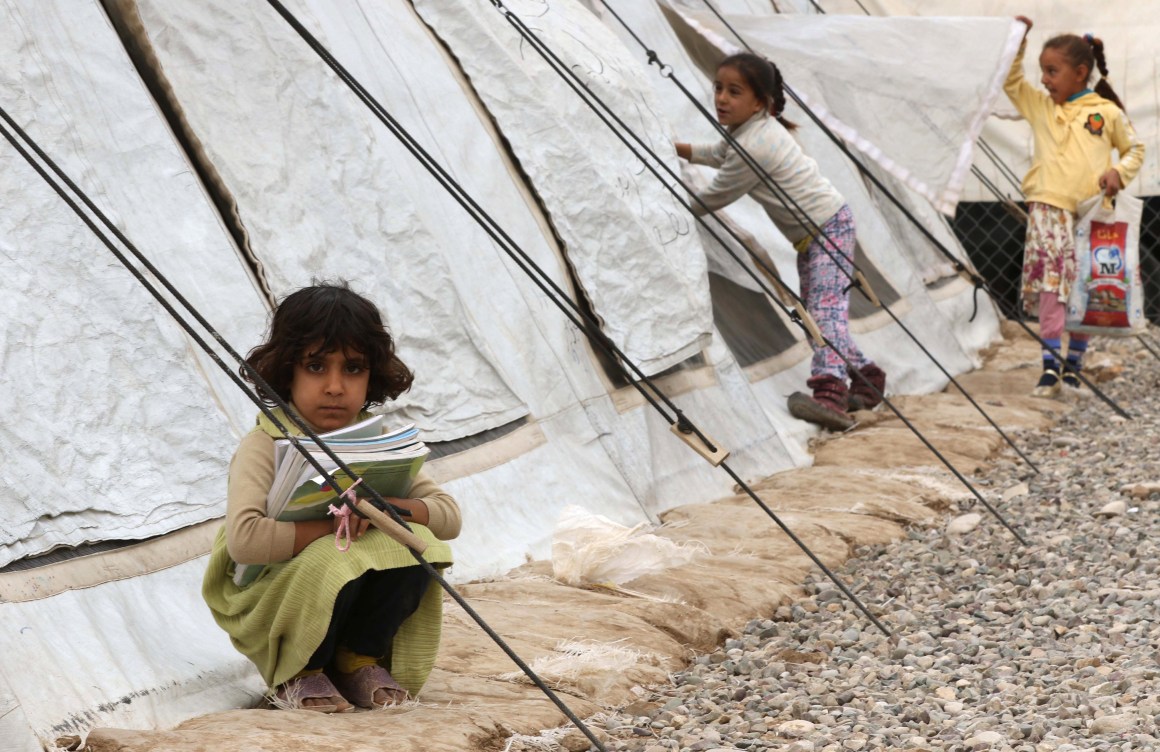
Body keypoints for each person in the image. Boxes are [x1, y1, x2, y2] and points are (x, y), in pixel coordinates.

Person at [202, 281, 461, 712]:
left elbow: (449, 516)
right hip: (269, 601)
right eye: (317, 367)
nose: (336, 387)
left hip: (340, 582)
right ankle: (300, 671)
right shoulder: (266, 443)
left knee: (423, 545)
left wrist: (387, 510)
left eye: (353, 369)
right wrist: (335, 524)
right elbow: (245, 540)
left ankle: (357, 658)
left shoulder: (378, 442)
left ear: (372, 375)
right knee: (334, 555)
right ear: (287, 371)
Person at [674, 52, 885, 431]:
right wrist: (679, 149)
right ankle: (868, 379)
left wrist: (673, 209)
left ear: (760, 101)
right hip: (816, 232)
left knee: (823, 314)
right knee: (819, 317)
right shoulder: (749, 131)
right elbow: (720, 155)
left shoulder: (757, 144)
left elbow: (718, 193)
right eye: (718, 88)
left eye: (734, 91)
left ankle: (830, 394)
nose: (722, 99)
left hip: (826, 228)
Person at [1006, 17, 1145, 397]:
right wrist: (1018, 42)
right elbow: (1011, 82)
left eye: (1052, 71)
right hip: (1048, 210)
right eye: (1043, 72)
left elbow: (1135, 148)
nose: (1045, 80)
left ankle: (1074, 366)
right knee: (1053, 287)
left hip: (1091, 213)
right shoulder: (1040, 108)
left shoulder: (1105, 113)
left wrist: (1118, 171)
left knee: (1086, 285)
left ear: (1080, 72)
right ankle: (1049, 367)